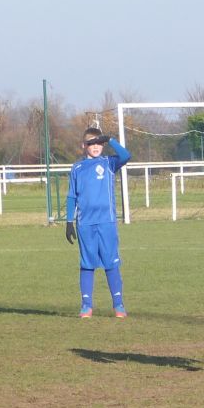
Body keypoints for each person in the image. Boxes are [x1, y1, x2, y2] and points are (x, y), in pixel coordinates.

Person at [65, 128, 132, 318]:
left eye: (99, 143)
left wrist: (110, 139)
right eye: (91, 143)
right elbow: (72, 196)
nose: (95, 146)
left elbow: (126, 156)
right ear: (83, 145)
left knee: (111, 263)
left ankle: (118, 305)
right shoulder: (77, 168)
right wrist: (69, 222)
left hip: (106, 222)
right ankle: (86, 306)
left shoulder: (109, 163)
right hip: (85, 224)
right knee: (87, 264)